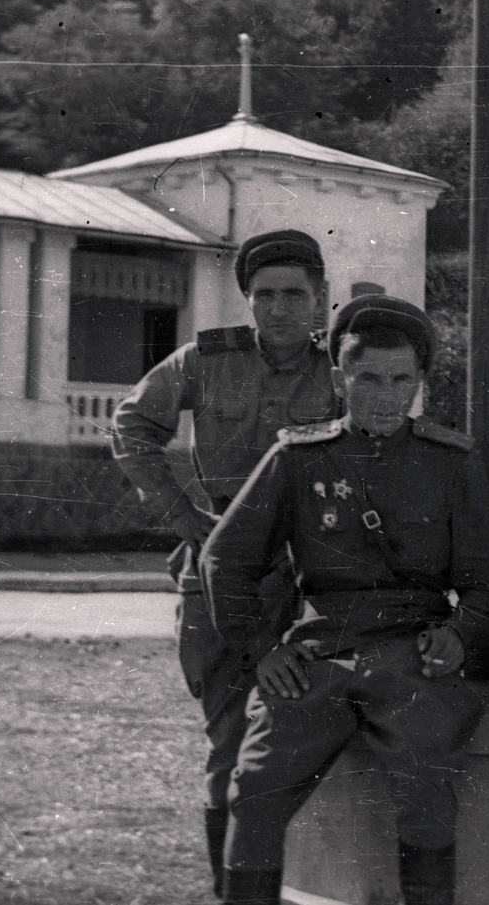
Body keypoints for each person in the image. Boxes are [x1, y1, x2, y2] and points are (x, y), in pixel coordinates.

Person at [201, 295, 489, 905]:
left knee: (427, 789)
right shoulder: (298, 458)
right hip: (319, 655)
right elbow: (224, 558)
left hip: (411, 653)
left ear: (419, 382)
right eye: (369, 378)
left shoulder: (450, 463)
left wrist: (459, 635)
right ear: (341, 378)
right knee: (254, 789)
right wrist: (263, 651)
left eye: (402, 380)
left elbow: (487, 578)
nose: (385, 395)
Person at [112, 229, 338, 898]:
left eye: (294, 294)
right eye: (264, 295)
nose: (279, 309)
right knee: (228, 744)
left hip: (305, 575)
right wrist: (186, 518)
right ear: (247, 301)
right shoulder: (205, 361)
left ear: (320, 299)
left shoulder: (340, 370)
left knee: (304, 738)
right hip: (216, 572)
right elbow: (130, 424)